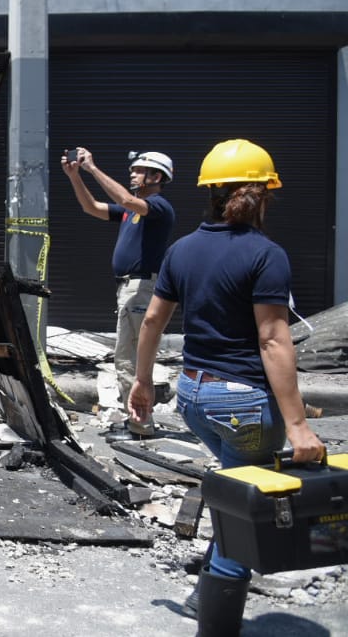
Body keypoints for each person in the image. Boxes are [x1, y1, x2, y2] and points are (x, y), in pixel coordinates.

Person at [128, 138, 325, 636]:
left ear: (210, 193)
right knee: (249, 516)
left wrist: (143, 382)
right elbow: (274, 339)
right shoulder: (266, 255)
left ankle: (205, 591)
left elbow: (151, 321)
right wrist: (298, 427)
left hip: (194, 394)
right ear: (263, 195)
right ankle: (214, 621)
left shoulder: (183, 249)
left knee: (236, 491)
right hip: (243, 403)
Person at [61, 146, 176, 434]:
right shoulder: (131, 211)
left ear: (156, 176)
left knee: (129, 357)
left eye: (139, 170)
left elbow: (124, 197)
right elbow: (92, 208)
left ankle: (141, 423)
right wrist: (75, 176)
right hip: (128, 287)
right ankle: (137, 419)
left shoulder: (159, 206)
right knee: (127, 355)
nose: (132, 173)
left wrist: (93, 169)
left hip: (140, 287)